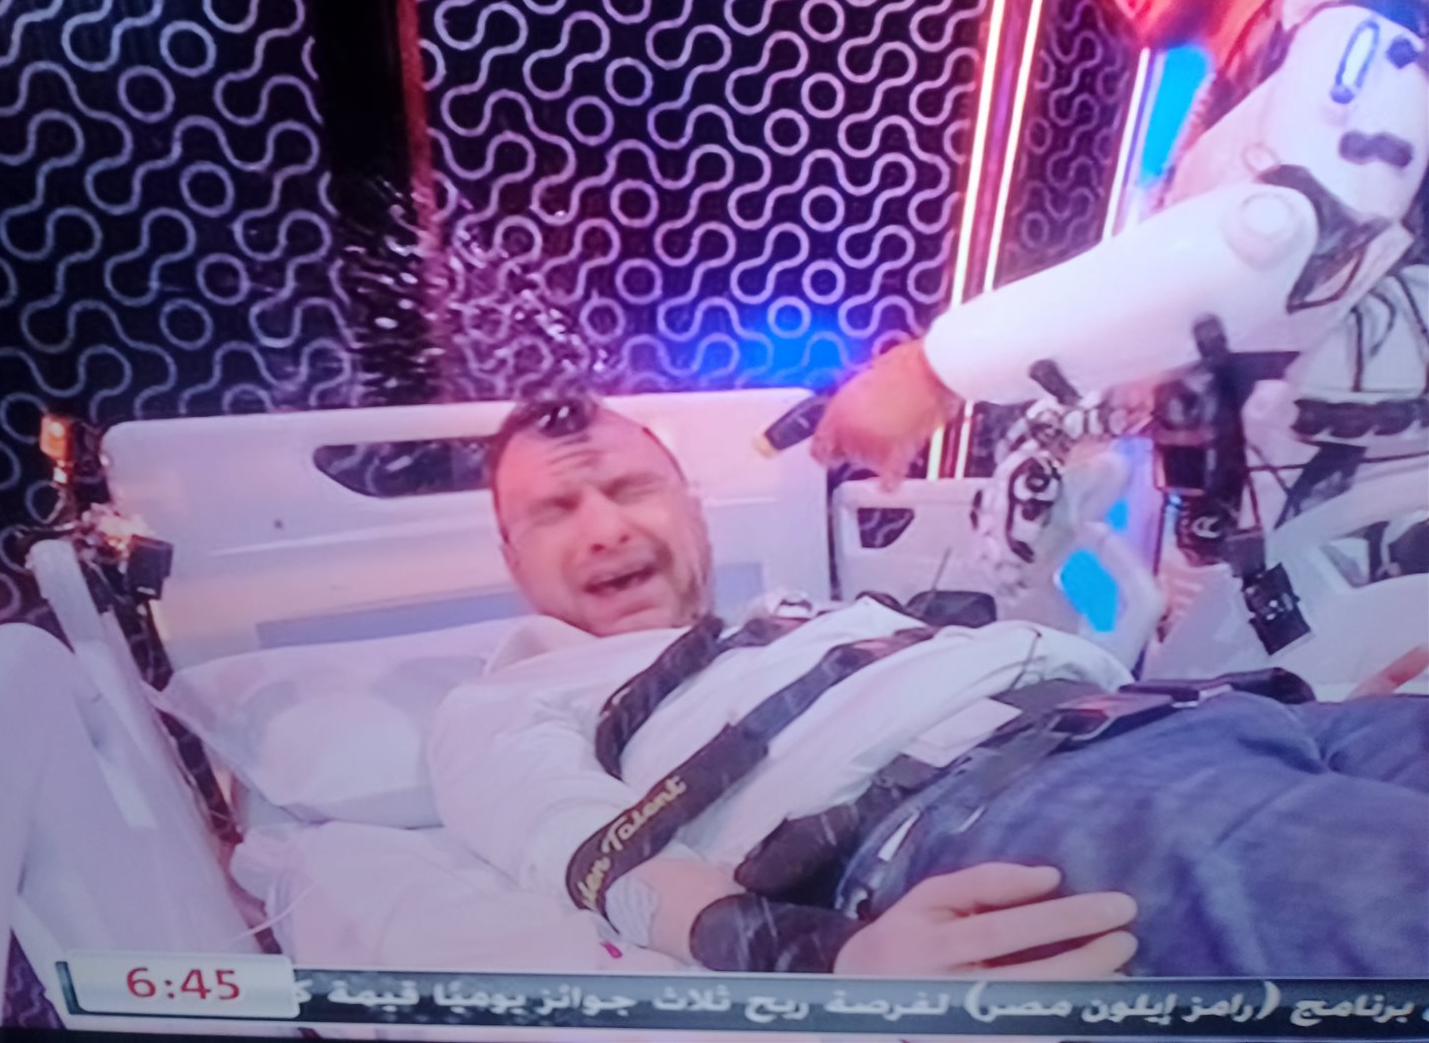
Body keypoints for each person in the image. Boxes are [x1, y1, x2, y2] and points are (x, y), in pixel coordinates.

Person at [426, 396, 1429, 978]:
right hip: (1007, 802)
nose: (605, 528)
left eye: (628, 487)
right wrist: (830, 958)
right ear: (511, 556)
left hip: (1219, 715)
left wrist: (1310, 700)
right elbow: (594, 857)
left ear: (691, 509)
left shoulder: (800, 614)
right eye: (556, 508)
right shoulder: (512, 697)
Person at [810, 0, 1428, 663]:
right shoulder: (1205, 153)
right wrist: (1045, 456)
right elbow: (1166, 357)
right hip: (1261, 617)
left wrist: (938, 369)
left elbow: (1280, 239)